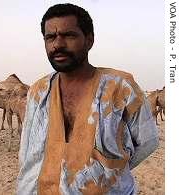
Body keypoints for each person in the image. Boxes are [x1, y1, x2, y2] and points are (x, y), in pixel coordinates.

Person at [17, 3, 159, 195]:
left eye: (69, 35)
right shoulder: (38, 91)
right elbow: (26, 153)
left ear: (89, 40)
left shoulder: (121, 87)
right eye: (50, 37)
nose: (57, 44)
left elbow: (148, 142)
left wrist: (108, 172)